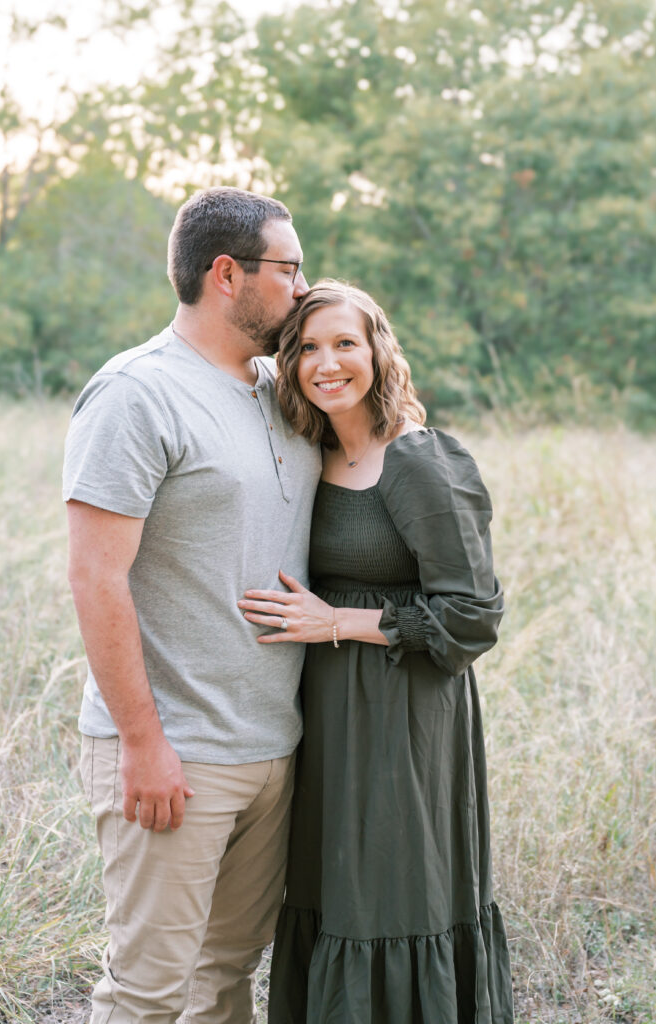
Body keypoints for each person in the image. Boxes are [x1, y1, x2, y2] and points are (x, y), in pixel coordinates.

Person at [63, 186, 321, 1024]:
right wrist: (143, 743)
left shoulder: (280, 388)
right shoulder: (136, 394)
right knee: (145, 992)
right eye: (289, 268)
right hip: (174, 757)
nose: (303, 286)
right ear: (226, 274)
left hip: (270, 748)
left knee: (223, 980)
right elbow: (95, 578)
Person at [238, 280, 514, 1024]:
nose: (326, 363)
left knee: (392, 895)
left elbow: (473, 614)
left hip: (404, 719)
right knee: (331, 894)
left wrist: (337, 623)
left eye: (345, 343)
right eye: (308, 348)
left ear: (377, 350)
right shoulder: (305, 457)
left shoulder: (416, 461)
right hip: (324, 720)